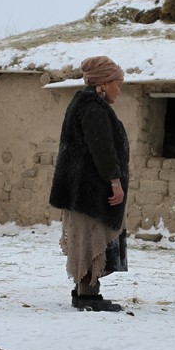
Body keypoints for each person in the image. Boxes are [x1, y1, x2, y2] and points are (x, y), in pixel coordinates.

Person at [48, 56, 130, 312]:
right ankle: (88, 295)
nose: (119, 90)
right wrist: (114, 181)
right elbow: (102, 148)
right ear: (104, 84)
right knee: (90, 238)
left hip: (82, 188)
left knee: (86, 238)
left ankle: (85, 290)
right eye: (117, 84)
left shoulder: (85, 103)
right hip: (90, 190)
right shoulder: (93, 107)